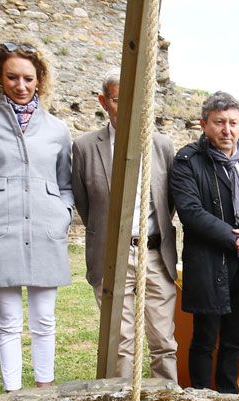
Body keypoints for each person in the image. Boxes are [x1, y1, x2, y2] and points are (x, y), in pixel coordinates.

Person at [0, 41, 73, 392]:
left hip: (45, 230)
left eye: (28, 78)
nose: (20, 86)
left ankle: (44, 388)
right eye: (12, 77)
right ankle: (12, 394)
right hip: (0, 230)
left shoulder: (57, 129)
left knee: (44, 320)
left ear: (40, 79)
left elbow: (65, 183)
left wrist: (64, 214)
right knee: (7, 321)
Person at [72, 71, 178, 381]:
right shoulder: (85, 148)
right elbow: (85, 203)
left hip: (155, 255)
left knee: (164, 341)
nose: (130, 106)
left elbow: (166, 202)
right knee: (121, 344)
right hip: (112, 257)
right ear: (104, 102)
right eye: (120, 99)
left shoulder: (162, 146)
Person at [170, 91, 239, 393]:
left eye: (233, 123)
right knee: (205, 340)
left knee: (234, 341)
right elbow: (191, 212)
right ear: (204, 124)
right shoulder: (188, 161)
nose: (227, 130)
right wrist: (238, 240)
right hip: (208, 264)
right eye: (219, 123)